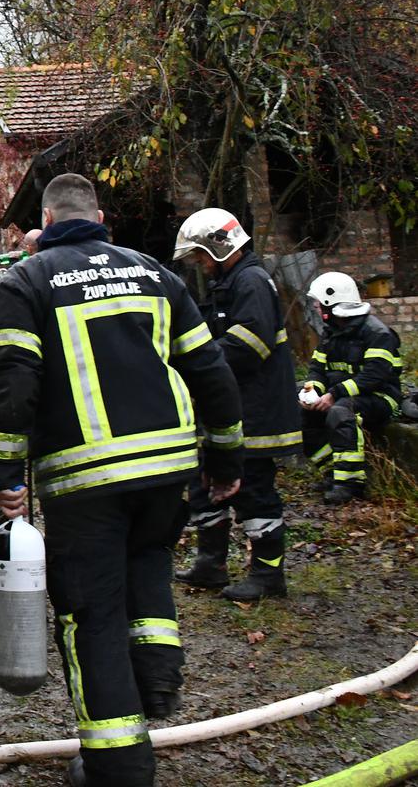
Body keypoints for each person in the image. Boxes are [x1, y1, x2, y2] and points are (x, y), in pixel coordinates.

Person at [0, 174, 243, 787]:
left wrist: (2, 471)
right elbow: (211, 370)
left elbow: (14, 381)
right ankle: (156, 683)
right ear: (98, 216)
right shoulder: (154, 273)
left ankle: (117, 764)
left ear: (44, 220)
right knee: (147, 567)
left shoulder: (26, 281)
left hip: (84, 480)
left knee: (91, 613)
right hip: (165, 471)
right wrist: (226, 460)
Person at [172, 208, 301, 600]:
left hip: (256, 411)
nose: (199, 264)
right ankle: (211, 564)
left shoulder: (251, 282)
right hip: (229, 407)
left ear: (219, 246)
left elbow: (249, 347)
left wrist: (199, 363)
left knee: (253, 490)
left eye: (200, 255)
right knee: (204, 482)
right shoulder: (230, 282)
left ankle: (267, 575)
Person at [301, 272, 401, 504]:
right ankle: (332, 474)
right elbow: (317, 369)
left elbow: (374, 376)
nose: (315, 306)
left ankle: (351, 483)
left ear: (331, 303)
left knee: (341, 411)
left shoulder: (378, 334)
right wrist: (312, 391)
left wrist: (335, 394)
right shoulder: (330, 334)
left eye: (318, 302)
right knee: (305, 412)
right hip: (344, 396)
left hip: (381, 397)